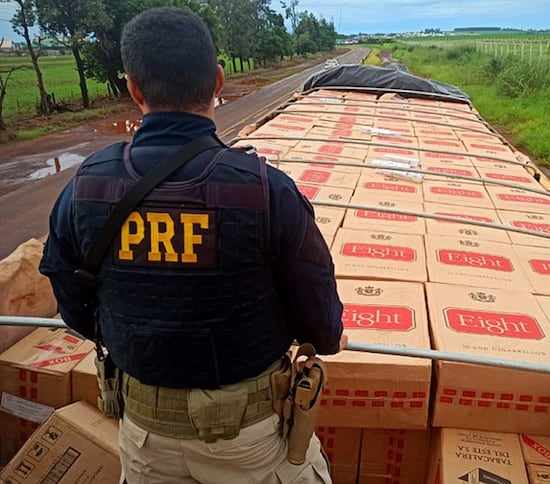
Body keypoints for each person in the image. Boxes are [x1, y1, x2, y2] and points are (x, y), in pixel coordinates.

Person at [39, 7, 345, 483]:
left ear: (133, 89)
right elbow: (321, 318)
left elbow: (67, 289)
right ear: (218, 81)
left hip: (142, 437)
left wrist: (125, 334)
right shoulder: (265, 191)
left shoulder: (85, 188)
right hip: (251, 444)